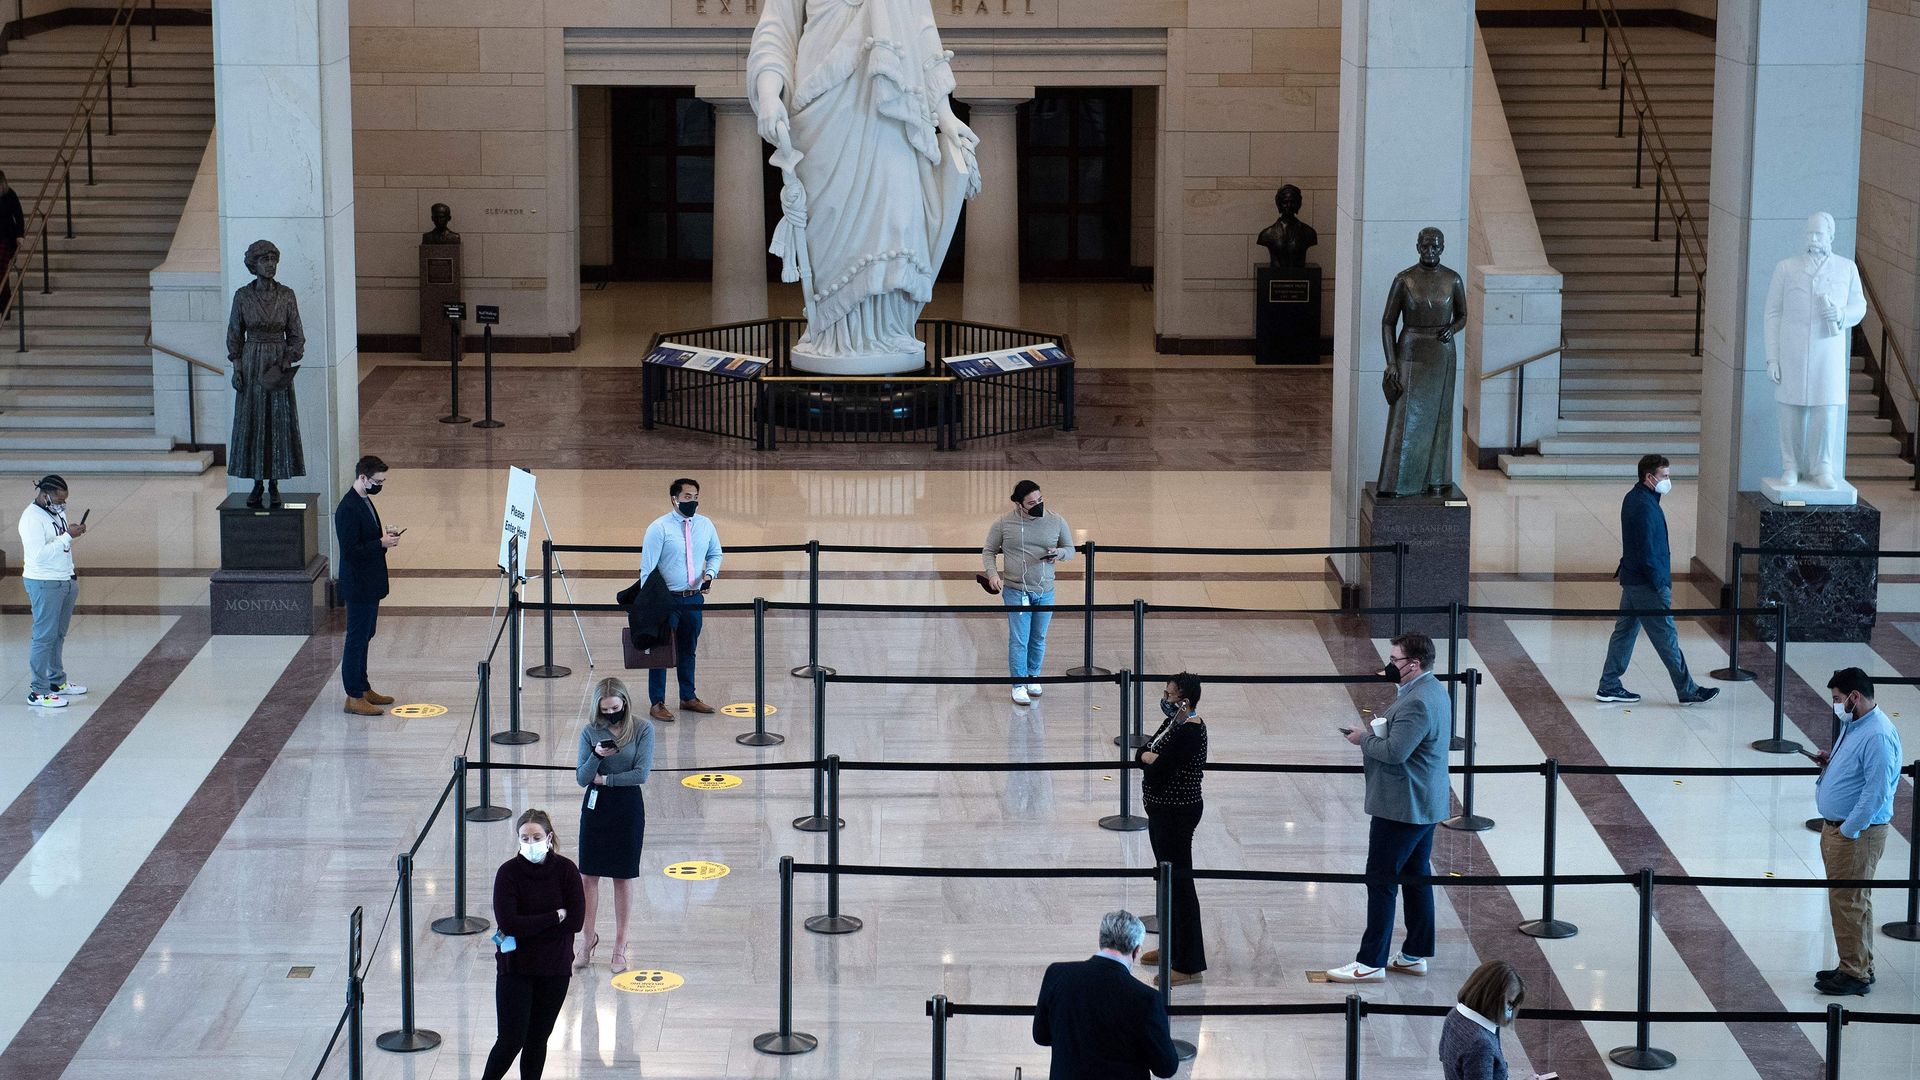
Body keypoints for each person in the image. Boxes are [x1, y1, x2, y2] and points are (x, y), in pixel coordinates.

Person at [1328, 632, 1450, 983]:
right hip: (1423, 802)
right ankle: (1414, 954)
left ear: (1414, 664)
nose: (1390, 665)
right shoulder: (1431, 691)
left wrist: (1362, 739)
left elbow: (1396, 753)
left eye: (1395, 660)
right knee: (1415, 877)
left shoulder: (1418, 701)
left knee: (1381, 879)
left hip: (1403, 806)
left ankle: (1370, 962)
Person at [1595, 454, 1718, 707]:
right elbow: (1649, 551)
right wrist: (1660, 584)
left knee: (1625, 633)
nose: (1668, 481)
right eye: (1664, 476)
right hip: (1647, 584)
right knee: (1666, 637)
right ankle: (1688, 690)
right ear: (1649, 477)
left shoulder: (1636, 498)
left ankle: (1609, 685)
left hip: (1633, 580)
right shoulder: (1645, 507)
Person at [1812, 667, 1902, 996]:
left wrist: (1848, 830)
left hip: (1856, 834)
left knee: (1848, 901)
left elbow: (1876, 792)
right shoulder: (1857, 724)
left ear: (1855, 697)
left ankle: (1855, 973)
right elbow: (1859, 773)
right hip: (1844, 830)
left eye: (1837, 699)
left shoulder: (1876, 734)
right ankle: (1855, 962)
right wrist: (1830, 763)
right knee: (1851, 900)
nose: (1835, 705)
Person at [481, 808, 585, 1080]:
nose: (530, 843)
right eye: (524, 838)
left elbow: (575, 922)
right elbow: (509, 924)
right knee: (510, 1040)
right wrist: (553, 917)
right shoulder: (508, 873)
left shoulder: (566, 871)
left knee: (537, 1040)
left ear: (549, 837)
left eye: (536, 837)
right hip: (516, 968)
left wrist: (531, 926)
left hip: (554, 969)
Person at [1032, 910, 1179, 1080]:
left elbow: (1041, 1036)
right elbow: (1166, 1067)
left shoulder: (1057, 974)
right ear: (1136, 950)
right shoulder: (1146, 999)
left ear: (1101, 940)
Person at [574, 677, 655, 975]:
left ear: (625, 703)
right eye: (606, 709)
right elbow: (582, 778)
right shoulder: (589, 732)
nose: (611, 714)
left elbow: (640, 774)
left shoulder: (643, 729)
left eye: (616, 708)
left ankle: (620, 945)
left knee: (622, 877)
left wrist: (607, 779)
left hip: (627, 806)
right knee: (588, 877)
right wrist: (596, 756)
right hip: (596, 806)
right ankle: (587, 940)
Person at [1136, 673, 1207, 986]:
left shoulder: (1190, 731)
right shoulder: (1174, 723)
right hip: (1162, 812)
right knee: (1168, 883)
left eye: (1169, 694)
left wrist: (1150, 759)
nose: (1164, 698)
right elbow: (1143, 752)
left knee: (1180, 886)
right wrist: (1148, 758)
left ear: (1184, 700)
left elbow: (1158, 772)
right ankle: (1172, 948)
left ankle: (1189, 964)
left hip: (1177, 814)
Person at [226, 239, 307, 509]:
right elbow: (234, 335)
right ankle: (256, 482)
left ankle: (274, 483)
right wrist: (237, 369)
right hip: (251, 364)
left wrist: (287, 359)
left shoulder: (287, 295)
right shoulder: (242, 296)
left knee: (277, 423)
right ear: (254, 264)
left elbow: (297, 336)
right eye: (264, 260)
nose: (270, 265)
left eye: (273, 260)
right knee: (253, 422)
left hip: (278, 365)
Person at [637, 478, 723, 721]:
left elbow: (715, 553)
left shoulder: (705, 525)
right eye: (687, 497)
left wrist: (709, 574)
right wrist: (648, 605)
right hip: (667, 600)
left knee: (689, 648)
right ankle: (657, 702)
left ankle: (688, 696)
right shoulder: (659, 528)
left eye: (695, 496)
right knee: (661, 650)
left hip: (693, 598)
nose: (692, 501)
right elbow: (647, 569)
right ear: (674, 499)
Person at [982, 480, 1074, 705]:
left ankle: (1033, 675)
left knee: (1038, 637)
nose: (1038, 505)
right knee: (1019, 639)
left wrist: (1058, 553)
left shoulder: (1056, 521)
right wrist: (993, 574)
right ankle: (1019, 683)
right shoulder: (1004, 523)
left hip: (1045, 590)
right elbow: (989, 551)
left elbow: (1070, 550)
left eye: (1040, 500)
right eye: (1032, 502)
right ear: (1019, 504)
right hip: (1016, 589)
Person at [335, 455, 399, 716]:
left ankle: (363, 687)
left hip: (370, 583)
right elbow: (350, 550)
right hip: (358, 584)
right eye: (377, 481)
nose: (379, 485)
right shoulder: (348, 508)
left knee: (366, 636)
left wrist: (383, 540)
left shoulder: (364, 500)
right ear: (363, 477)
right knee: (356, 639)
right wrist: (380, 544)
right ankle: (353, 696)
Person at [21, 475, 88, 709]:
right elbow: (39, 554)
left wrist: (70, 536)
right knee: (43, 637)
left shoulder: (55, 512)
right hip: (44, 582)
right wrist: (68, 535)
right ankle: (38, 692)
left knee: (57, 635)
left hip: (63, 579)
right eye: (58, 500)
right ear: (44, 495)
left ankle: (56, 682)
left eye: (64, 501)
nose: (62, 505)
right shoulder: (31, 518)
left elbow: (61, 543)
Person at [1439, 960, 1552, 1080]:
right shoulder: (1481, 1043)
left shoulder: (1454, 1016)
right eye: (1509, 1003)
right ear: (1493, 998)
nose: (1510, 1011)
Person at [0, 171, 23, 311]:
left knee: (2, 272)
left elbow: (18, 215)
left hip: (6, 239)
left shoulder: (10, 195)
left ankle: (4, 305)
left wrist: (20, 235)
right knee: (2, 273)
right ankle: (4, 305)